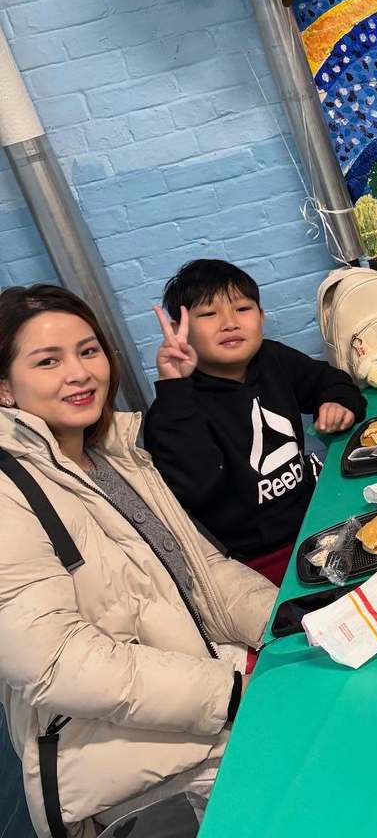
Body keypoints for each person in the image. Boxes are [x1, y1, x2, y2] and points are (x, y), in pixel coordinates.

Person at [0, 285, 277, 835]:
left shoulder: (112, 456)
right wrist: (228, 692)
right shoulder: (8, 489)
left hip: (206, 702)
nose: (79, 373)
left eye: (88, 350)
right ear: (4, 389)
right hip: (133, 774)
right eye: (48, 361)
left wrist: (288, 622)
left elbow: (201, 572)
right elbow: (53, 663)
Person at [144, 260, 367, 585]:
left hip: (319, 521)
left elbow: (331, 381)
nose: (229, 323)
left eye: (243, 309)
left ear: (261, 318)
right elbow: (196, 488)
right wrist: (175, 388)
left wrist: (337, 402)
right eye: (208, 315)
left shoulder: (272, 359)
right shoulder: (174, 406)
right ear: (182, 328)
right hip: (253, 563)